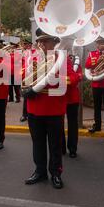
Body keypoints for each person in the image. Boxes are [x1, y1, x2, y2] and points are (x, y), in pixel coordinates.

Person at [23, 30, 74, 189]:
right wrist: (24, 87)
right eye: (39, 42)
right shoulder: (33, 59)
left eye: (45, 42)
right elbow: (24, 76)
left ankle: (56, 173)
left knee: (55, 145)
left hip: (53, 108)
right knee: (37, 143)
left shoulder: (62, 59)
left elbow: (73, 77)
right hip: (34, 107)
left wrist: (57, 78)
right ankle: (40, 171)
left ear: (54, 43)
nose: (41, 45)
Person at [85, 37, 104, 135]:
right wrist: (98, 61)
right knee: (97, 106)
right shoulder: (92, 54)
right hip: (96, 84)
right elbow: (87, 65)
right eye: (98, 43)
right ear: (96, 44)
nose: (100, 45)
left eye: (102, 43)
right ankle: (97, 125)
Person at [62, 55, 82, 158]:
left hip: (72, 97)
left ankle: (72, 148)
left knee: (73, 124)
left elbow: (79, 76)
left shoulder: (75, 60)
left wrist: (62, 80)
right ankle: (61, 147)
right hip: (60, 97)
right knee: (58, 124)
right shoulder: (56, 59)